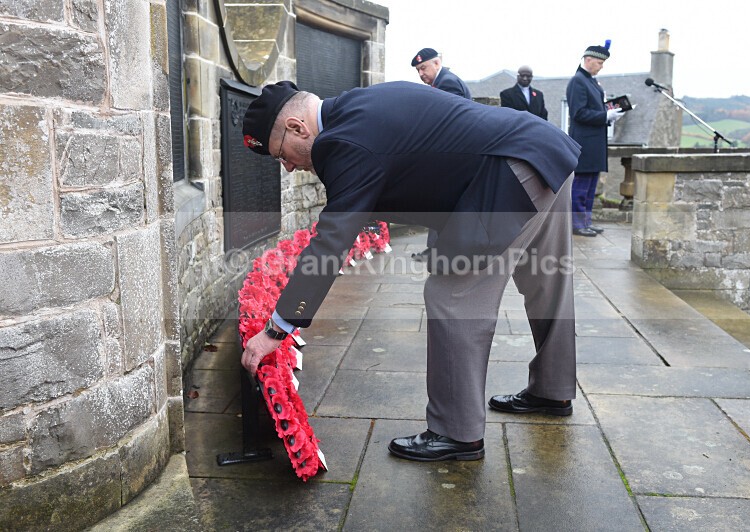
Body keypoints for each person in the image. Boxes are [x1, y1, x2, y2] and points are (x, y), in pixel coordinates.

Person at [240, 80, 580, 462]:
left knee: (453, 294)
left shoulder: (343, 141)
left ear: (297, 128)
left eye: (281, 154)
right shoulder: (356, 104)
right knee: (547, 282)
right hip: (544, 150)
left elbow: (331, 242)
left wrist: (277, 329)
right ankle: (553, 390)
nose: (287, 167)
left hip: (511, 171)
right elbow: (437, 155)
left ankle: (457, 433)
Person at [410, 47, 472, 262]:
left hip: (452, 154)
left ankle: (441, 250)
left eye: (423, 67)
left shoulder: (448, 83)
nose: (421, 74)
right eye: (418, 70)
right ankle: (436, 249)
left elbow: (447, 122)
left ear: (437, 63)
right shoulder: (442, 81)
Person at [566, 41, 625, 237]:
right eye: (599, 62)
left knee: (591, 187)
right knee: (581, 186)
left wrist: (610, 111)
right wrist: (605, 116)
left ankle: (586, 221)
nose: (601, 66)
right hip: (584, 142)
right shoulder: (578, 81)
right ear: (588, 59)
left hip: (595, 142)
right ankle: (576, 223)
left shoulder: (590, 81)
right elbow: (578, 113)